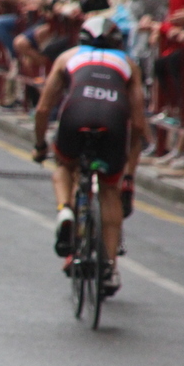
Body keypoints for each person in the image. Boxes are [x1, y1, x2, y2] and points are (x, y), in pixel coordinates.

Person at [32, 16, 146, 295]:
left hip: (76, 114)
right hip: (113, 121)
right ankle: (109, 268)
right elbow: (138, 124)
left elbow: (43, 109)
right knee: (109, 190)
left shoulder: (67, 57)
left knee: (64, 165)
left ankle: (65, 210)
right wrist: (129, 174)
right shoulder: (128, 63)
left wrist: (40, 145)